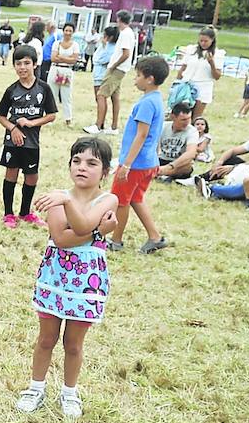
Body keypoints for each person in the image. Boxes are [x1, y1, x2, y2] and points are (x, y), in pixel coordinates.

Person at [17, 137, 119, 420]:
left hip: (88, 280)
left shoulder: (109, 198)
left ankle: (69, 393)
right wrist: (99, 232)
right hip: (56, 276)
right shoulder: (57, 197)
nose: (82, 168)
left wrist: (81, 218)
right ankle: (35, 388)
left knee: (74, 344)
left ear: (105, 171)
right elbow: (61, 238)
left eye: (91, 163)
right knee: (46, 338)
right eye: (76, 161)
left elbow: (80, 226)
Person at [109, 56, 171, 254]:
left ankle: (116, 241)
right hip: (148, 162)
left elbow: (142, 134)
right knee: (136, 199)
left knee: (121, 201)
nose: (135, 79)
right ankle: (155, 237)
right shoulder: (156, 100)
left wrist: (126, 165)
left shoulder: (146, 103)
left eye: (138, 76)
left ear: (150, 79)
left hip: (135, 164)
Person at [0, 44, 56, 228]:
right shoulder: (11, 90)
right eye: (18, 63)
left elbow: (51, 115)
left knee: (31, 176)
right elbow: (1, 117)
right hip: (13, 142)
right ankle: (8, 214)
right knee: (11, 173)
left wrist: (31, 123)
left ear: (35, 64)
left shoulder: (43, 88)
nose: (22, 67)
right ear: (14, 66)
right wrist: (13, 129)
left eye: (26, 63)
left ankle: (25, 212)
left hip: (32, 142)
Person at [97, 11, 136, 136]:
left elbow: (126, 53)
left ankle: (98, 125)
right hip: (122, 69)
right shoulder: (130, 33)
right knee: (115, 97)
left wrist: (114, 65)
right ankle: (114, 127)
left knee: (101, 94)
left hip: (117, 69)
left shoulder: (125, 34)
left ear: (119, 19)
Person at [175, 27, 222, 120]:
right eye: (201, 41)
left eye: (206, 41)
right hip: (187, 84)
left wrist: (212, 63)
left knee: (196, 117)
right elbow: (183, 68)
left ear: (212, 40)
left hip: (203, 86)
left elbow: (217, 76)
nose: (203, 43)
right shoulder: (191, 50)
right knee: (181, 114)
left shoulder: (217, 54)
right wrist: (177, 83)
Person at [84, 25, 120, 135]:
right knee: (102, 99)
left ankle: (98, 125)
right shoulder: (107, 46)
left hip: (102, 75)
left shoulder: (111, 48)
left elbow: (99, 59)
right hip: (99, 74)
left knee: (100, 97)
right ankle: (102, 123)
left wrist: (103, 46)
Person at [154, 102, 199, 182]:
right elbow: (153, 145)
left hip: (179, 163)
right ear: (173, 117)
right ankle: (161, 173)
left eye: (189, 118)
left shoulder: (192, 131)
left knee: (188, 167)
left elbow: (191, 153)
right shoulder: (163, 126)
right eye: (183, 120)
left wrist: (171, 166)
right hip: (162, 159)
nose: (187, 122)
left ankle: (160, 173)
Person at [47, 23, 80, 126]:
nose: (68, 33)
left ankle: (68, 119)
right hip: (55, 69)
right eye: (66, 30)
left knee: (66, 96)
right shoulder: (57, 43)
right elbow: (53, 57)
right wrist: (67, 58)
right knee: (52, 94)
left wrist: (61, 57)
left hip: (67, 72)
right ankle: (50, 117)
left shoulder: (75, 45)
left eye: (70, 31)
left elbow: (74, 60)